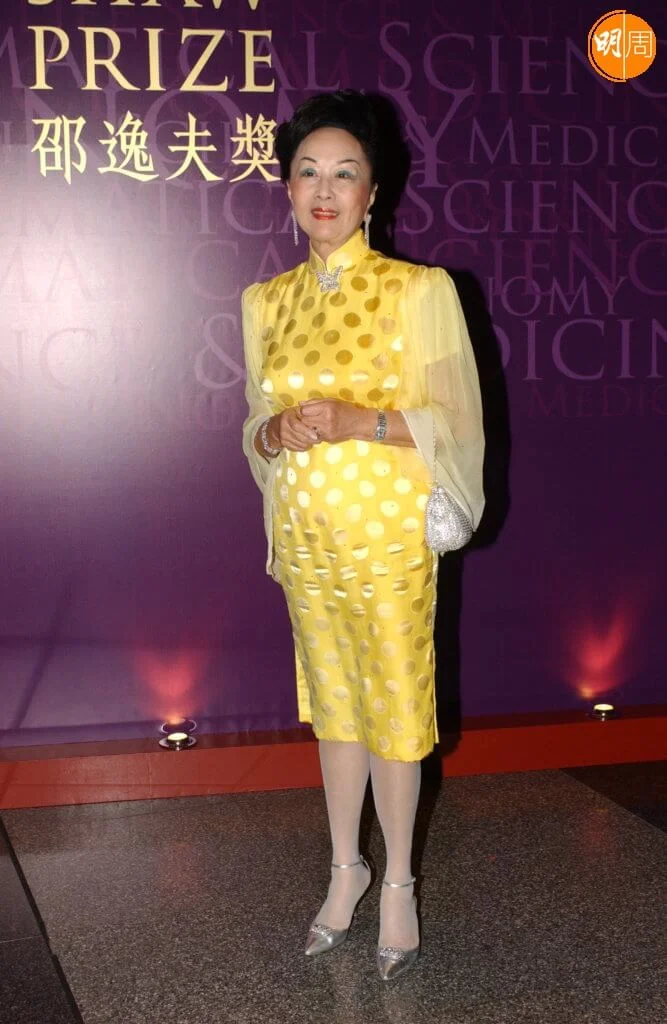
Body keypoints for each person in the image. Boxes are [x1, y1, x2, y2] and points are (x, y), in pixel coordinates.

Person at [241, 91, 485, 981]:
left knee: (392, 709)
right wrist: (274, 432)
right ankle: (345, 869)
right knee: (334, 706)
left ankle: (399, 885)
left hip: (387, 541)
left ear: (373, 191)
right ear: (287, 188)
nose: (324, 190)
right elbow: (253, 425)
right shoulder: (264, 302)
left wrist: (359, 421)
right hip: (308, 541)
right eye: (307, 172)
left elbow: (456, 423)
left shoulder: (417, 290)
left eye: (344, 174)